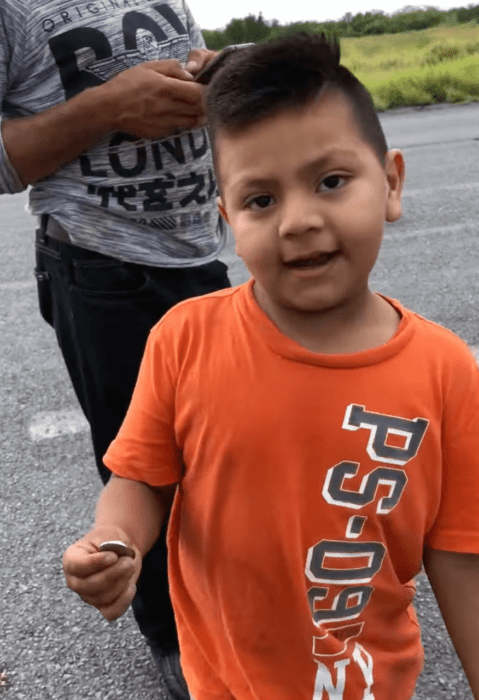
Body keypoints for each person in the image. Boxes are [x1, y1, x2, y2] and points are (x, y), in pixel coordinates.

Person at [62, 33, 479, 700]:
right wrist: (115, 538)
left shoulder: (444, 370)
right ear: (226, 218)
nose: (298, 221)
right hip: (222, 680)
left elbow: (459, 556)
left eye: (330, 181)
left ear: (391, 182)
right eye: (260, 200)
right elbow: (140, 478)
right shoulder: (184, 337)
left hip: (366, 684)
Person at [0, 1, 232, 697]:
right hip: (101, 266)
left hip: (199, 250)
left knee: (226, 445)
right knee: (143, 460)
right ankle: (170, 632)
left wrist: (214, 78)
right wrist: (106, 108)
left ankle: (234, 594)